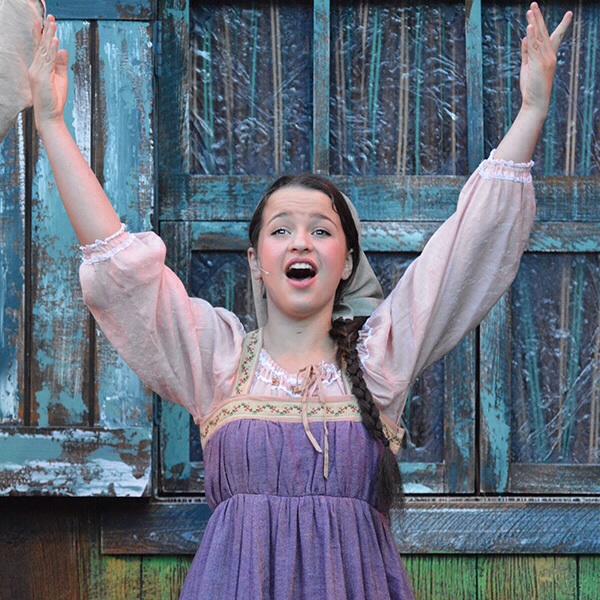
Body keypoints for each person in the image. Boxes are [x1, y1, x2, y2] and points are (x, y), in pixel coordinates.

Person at [28, 4, 572, 599]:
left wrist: (533, 111)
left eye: (322, 229)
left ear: (345, 263)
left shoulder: (380, 363)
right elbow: (119, 264)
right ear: (257, 262)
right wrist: (53, 123)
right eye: (281, 229)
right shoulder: (217, 362)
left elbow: (466, 248)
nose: (301, 241)